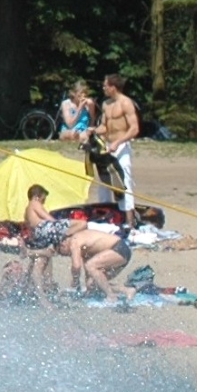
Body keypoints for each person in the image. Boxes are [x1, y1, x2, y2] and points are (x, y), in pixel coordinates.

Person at [85, 74, 139, 223]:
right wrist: (93, 130)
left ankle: (129, 221)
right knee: (104, 182)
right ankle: (106, 216)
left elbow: (134, 129)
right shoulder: (106, 104)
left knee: (123, 182)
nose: (103, 88)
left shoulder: (126, 103)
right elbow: (105, 127)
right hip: (108, 146)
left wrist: (118, 142)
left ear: (113, 87)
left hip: (122, 145)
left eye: (105, 85)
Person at [63, 226, 132, 301]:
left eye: (61, 252)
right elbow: (89, 273)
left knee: (91, 265)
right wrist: (88, 290)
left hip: (119, 249)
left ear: (63, 244)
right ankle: (126, 290)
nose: (65, 255)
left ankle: (111, 296)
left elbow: (76, 266)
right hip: (121, 252)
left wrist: (75, 283)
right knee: (91, 284)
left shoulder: (74, 241)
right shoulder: (84, 247)